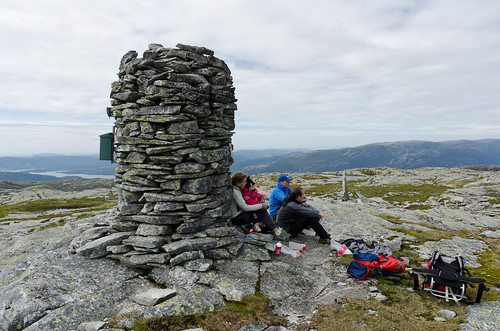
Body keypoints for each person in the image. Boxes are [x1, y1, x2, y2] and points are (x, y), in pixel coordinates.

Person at [229, 172, 289, 240]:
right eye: (244, 182)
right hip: (236, 217)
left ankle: (272, 228)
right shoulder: (235, 192)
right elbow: (245, 207)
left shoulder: (237, 189)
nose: (245, 183)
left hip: (239, 214)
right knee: (261, 212)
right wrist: (261, 206)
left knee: (260, 211)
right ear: (238, 182)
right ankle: (276, 231)